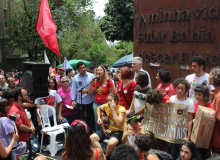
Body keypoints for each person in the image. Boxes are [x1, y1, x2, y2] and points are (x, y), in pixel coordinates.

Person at [90, 93, 126, 159]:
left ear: (116, 101)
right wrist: (98, 117)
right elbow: (98, 108)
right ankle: (101, 154)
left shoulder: (121, 109)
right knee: (91, 138)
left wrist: (113, 110)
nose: (109, 102)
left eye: (111, 101)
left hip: (117, 132)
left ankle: (105, 156)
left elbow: (118, 123)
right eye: (108, 100)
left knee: (111, 144)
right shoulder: (106, 106)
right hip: (107, 130)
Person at [170, 78, 194, 160]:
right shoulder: (171, 99)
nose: (180, 90)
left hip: (183, 133)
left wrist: (188, 136)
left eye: (182, 89)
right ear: (175, 88)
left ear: (186, 90)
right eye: (178, 88)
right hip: (172, 132)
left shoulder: (189, 102)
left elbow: (190, 120)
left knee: (182, 154)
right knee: (173, 152)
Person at [88, 65, 114, 131]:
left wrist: (110, 104)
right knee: (97, 119)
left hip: (105, 103)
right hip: (96, 103)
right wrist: (91, 83)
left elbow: (112, 94)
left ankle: (106, 133)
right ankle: (97, 134)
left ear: (104, 71)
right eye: (97, 70)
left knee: (106, 120)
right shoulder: (95, 81)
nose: (99, 71)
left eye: (100, 70)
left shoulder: (109, 81)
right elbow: (90, 92)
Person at [72, 61, 95, 133]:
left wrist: (88, 90)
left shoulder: (91, 76)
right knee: (80, 119)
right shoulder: (75, 78)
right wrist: (73, 100)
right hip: (80, 101)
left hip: (90, 100)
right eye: (81, 68)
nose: (83, 69)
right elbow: (73, 89)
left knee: (90, 118)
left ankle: (90, 133)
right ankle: (81, 133)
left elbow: (95, 87)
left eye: (84, 67)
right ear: (78, 69)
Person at [209, 67, 220, 155]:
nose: (208, 77)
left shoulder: (219, 96)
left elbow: (218, 117)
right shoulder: (215, 94)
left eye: (210, 75)